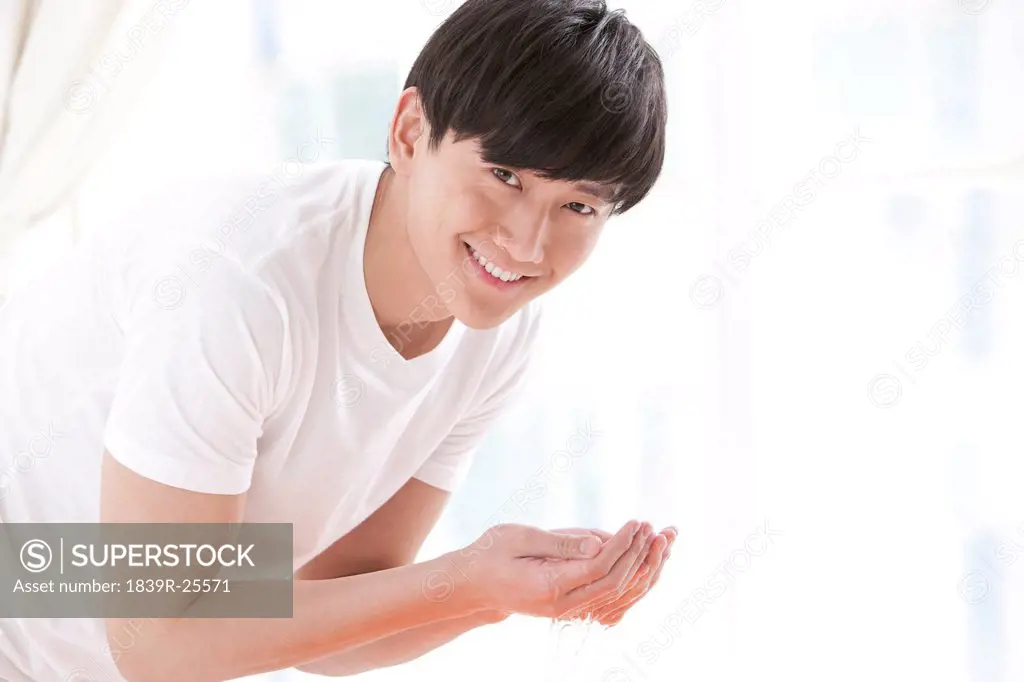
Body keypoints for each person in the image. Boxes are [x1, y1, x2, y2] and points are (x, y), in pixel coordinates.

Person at [0, 0, 673, 679]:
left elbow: (330, 609)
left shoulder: (495, 331)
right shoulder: (242, 283)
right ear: (410, 132)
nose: (527, 242)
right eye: (504, 176)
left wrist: (502, 591)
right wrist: (470, 579)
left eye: (578, 207)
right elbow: (161, 642)